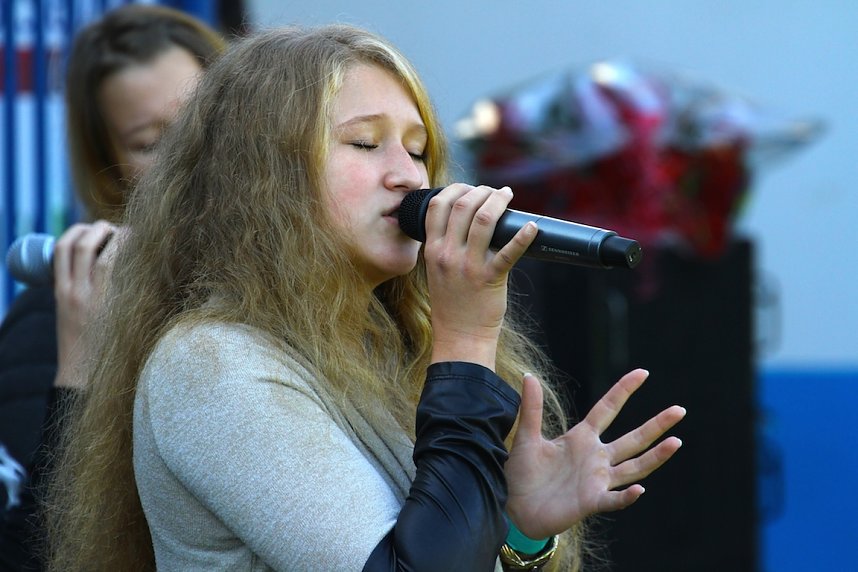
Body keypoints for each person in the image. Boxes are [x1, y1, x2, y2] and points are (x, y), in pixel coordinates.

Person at [46, 25, 686, 572]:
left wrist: (521, 528)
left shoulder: (388, 345)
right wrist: (464, 344)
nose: (409, 176)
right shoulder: (212, 363)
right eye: (364, 142)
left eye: (418, 149)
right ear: (263, 175)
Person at [0, 4, 226, 570]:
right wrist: (82, 365)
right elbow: (33, 550)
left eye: (204, 121)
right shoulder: (48, 318)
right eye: (150, 142)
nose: (188, 157)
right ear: (109, 168)